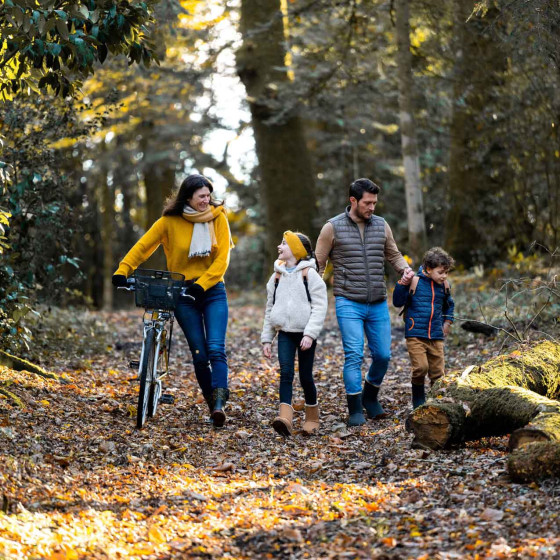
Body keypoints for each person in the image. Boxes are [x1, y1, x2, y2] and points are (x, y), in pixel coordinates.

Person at [112, 174, 234, 427]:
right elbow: (144, 246)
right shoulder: (169, 221)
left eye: (208, 195)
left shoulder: (218, 217)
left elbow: (222, 259)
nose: (207, 200)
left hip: (212, 290)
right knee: (199, 354)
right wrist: (123, 270)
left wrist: (202, 286)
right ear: (187, 197)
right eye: (201, 196)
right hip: (182, 294)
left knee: (215, 349)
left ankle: (221, 405)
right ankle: (213, 406)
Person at [315, 178, 414, 426]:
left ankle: (370, 397)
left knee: (383, 355)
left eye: (375, 203)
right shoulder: (332, 227)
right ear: (353, 201)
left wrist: (406, 271)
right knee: (354, 355)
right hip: (348, 300)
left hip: (378, 301)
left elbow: (393, 254)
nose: (372, 207)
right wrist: (311, 291)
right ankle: (355, 409)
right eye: (368, 203)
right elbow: (319, 262)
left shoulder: (381, 225)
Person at [261, 231, 328, 436]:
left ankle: (312, 417)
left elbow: (320, 306)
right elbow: (270, 308)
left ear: (296, 250)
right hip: (285, 334)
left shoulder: (310, 275)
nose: (279, 247)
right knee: (286, 374)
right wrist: (267, 339)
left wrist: (310, 334)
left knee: (306, 376)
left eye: (284, 244)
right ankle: (285, 418)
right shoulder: (277, 276)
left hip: (305, 334)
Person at [393, 247, 455, 409]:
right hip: (415, 333)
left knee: (437, 372)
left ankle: (437, 401)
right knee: (421, 367)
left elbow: (450, 306)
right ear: (428, 269)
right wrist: (402, 284)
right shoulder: (415, 282)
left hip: (436, 334)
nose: (444, 276)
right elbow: (397, 302)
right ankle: (418, 399)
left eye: (446, 272)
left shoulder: (444, 286)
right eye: (441, 272)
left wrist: (447, 322)